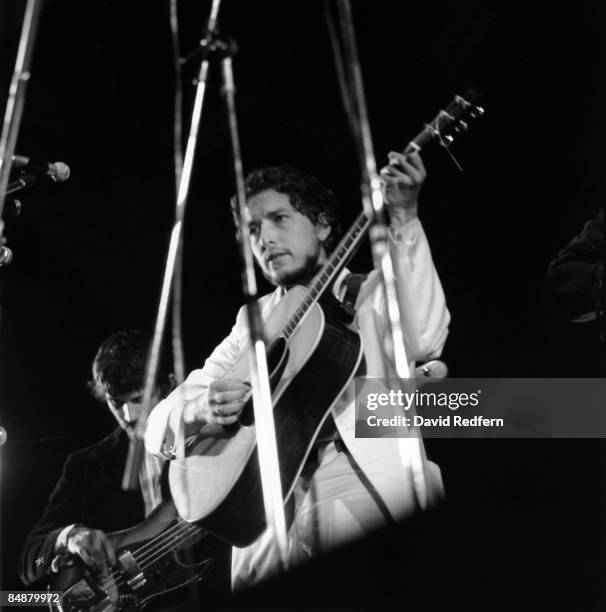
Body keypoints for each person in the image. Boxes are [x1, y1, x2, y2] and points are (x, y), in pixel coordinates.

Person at [144, 151, 450, 589]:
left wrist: (404, 217)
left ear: (323, 224)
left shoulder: (372, 293)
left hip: (363, 491)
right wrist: (197, 409)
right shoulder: (253, 321)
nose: (264, 238)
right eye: (252, 229)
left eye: (278, 219)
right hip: (266, 522)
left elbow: (425, 337)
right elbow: (157, 425)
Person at [19, 330, 173, 586]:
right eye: (116, 402)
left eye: (139, 399)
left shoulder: (205, 431)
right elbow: (29, 562)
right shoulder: (84, 465)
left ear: (169, 383)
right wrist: (67, 538)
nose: (129, 415)